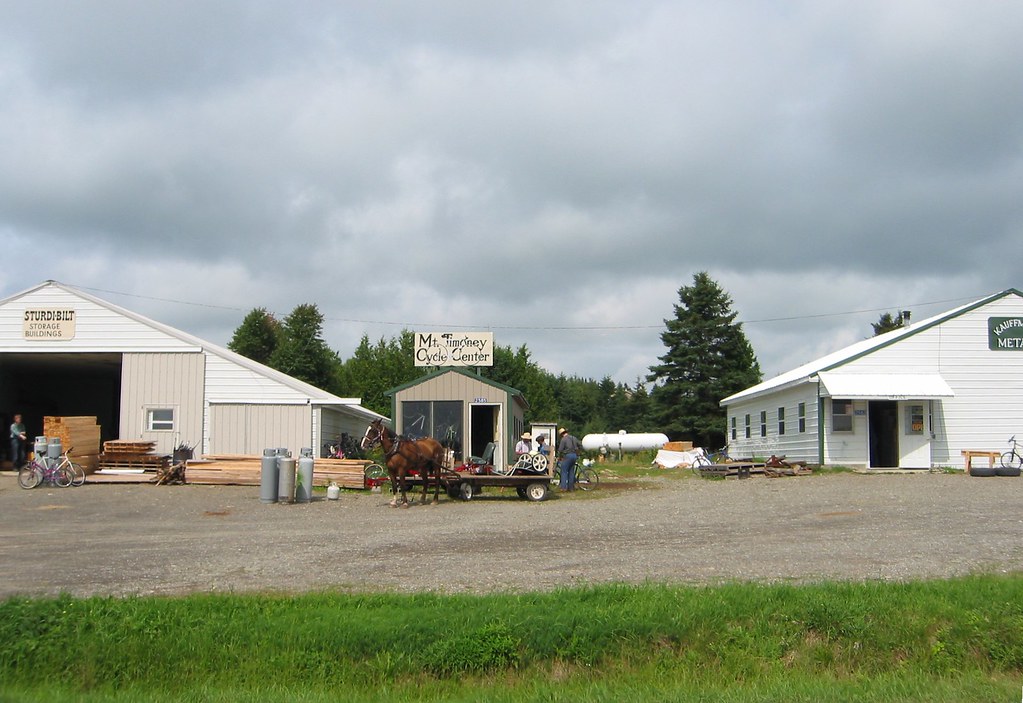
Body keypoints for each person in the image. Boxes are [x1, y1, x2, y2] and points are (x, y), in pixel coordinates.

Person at [557, 427, 582, 491]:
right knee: (571, 471)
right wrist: (578, 452)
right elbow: (580, 445)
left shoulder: (563, 439)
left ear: (561, 434)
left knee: (564, 471)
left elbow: (560, 450)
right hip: (574, 455)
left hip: (568, 456)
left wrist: (559, 457)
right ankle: (571, 488)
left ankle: (563, 487)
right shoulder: (574, 438)